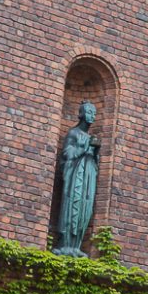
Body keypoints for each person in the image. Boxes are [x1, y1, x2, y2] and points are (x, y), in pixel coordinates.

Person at [55, 101, 100, 256]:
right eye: (89, 112)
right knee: (71, 206)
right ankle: (64, 244)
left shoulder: (90, 137)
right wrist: (84, 148)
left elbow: (95, 163)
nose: (92, 116)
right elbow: (67, 154)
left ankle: (76, 245)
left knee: (84, 210)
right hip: (75, 177)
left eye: (94, 113)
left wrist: (95, 152)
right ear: (81, 114)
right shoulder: (73, 133)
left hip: (88, 178)